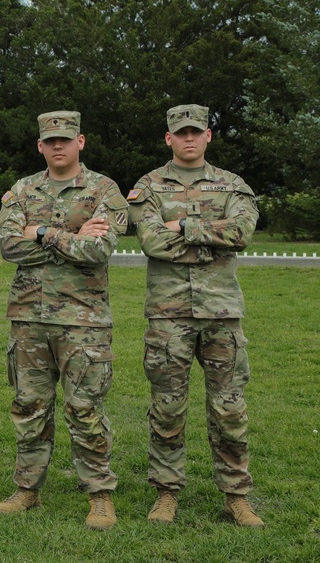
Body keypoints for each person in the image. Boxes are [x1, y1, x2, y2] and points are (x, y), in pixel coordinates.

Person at [128, 104, 264, 528]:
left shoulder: (232, 184)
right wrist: (212, 232)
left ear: (208, 136)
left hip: (222, 313)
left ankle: (236, 496)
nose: (189, 138)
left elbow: (242, 233)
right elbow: (151, 241)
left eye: (196, 132)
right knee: (168, 407)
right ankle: (166, 493)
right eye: (180, 132)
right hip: (168, 315)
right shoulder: (148, 186)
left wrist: (183, 227)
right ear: (168, 138)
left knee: (229, 408)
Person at [0, 111, 128, 531]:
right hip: (29, 317)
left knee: (85, 408)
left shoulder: (104, 189)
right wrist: (71, 235)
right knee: (29, 406)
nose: (57, 146)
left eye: (65, 140)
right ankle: (27, 489)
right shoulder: (22, 189)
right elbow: (9, 247)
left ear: (80, 142)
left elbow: (99, 250)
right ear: (40, 145)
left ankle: (100, 495)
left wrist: (41, 232)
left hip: (83, 321)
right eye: (50, 140)